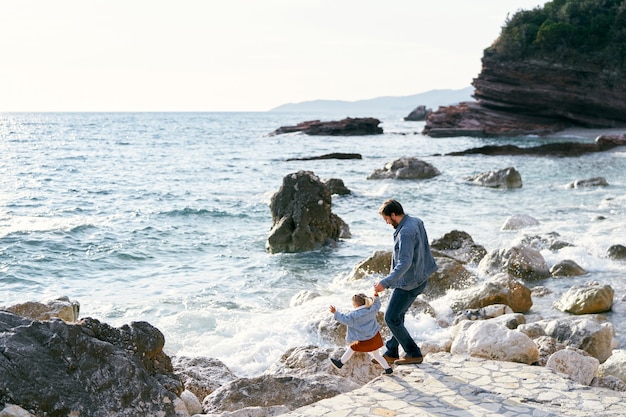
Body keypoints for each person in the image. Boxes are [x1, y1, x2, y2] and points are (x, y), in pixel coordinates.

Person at [373, 199, 437, 365]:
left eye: (386, 218)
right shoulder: (415, 221)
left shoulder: (405, 232)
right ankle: (392, 350)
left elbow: (404, 263)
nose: (386, 222)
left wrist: (384, 283)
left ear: (393, 215)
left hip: (409, 282)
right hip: (420, 277)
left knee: (391, 318)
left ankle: (413, 352)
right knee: (398, 316)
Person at [329, 292, 393, 376]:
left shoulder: (353, 315)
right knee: (377, 355)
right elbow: (377, 304)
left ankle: (340, 363)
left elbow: (344, 319)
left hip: (365, 340)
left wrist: (335, 313)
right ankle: (388, 369)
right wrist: (376, 296)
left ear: (356, 304)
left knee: (352, 348)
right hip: (375, 337)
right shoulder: (371, 309)